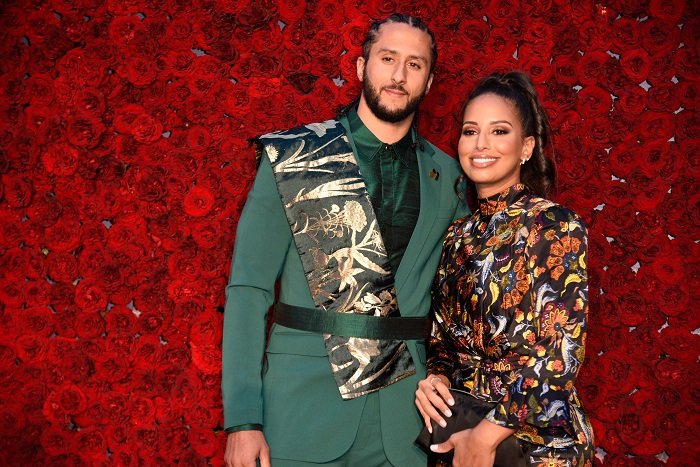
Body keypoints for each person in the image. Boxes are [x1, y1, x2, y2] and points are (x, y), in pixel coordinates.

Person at [222, 13, 468, 467]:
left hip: (405, 417)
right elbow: (249, 289)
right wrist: (243, 421)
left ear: (429, 82)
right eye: (387, 58)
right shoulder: (298, 156)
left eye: (414, 65)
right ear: (360, 67)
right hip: (301, 408)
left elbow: (461, 300)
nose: (398, 75)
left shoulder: (450, 176)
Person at [414, 72, 595, 467]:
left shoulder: (554, 225)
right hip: (459, 432)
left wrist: (486, 436)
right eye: (470, 131)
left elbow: (559, 354)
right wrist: (437, 380)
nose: (481, 144)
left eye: (499, 131)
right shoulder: (457, 236)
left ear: (526, 146)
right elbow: (442, 339)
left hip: (537, 444)